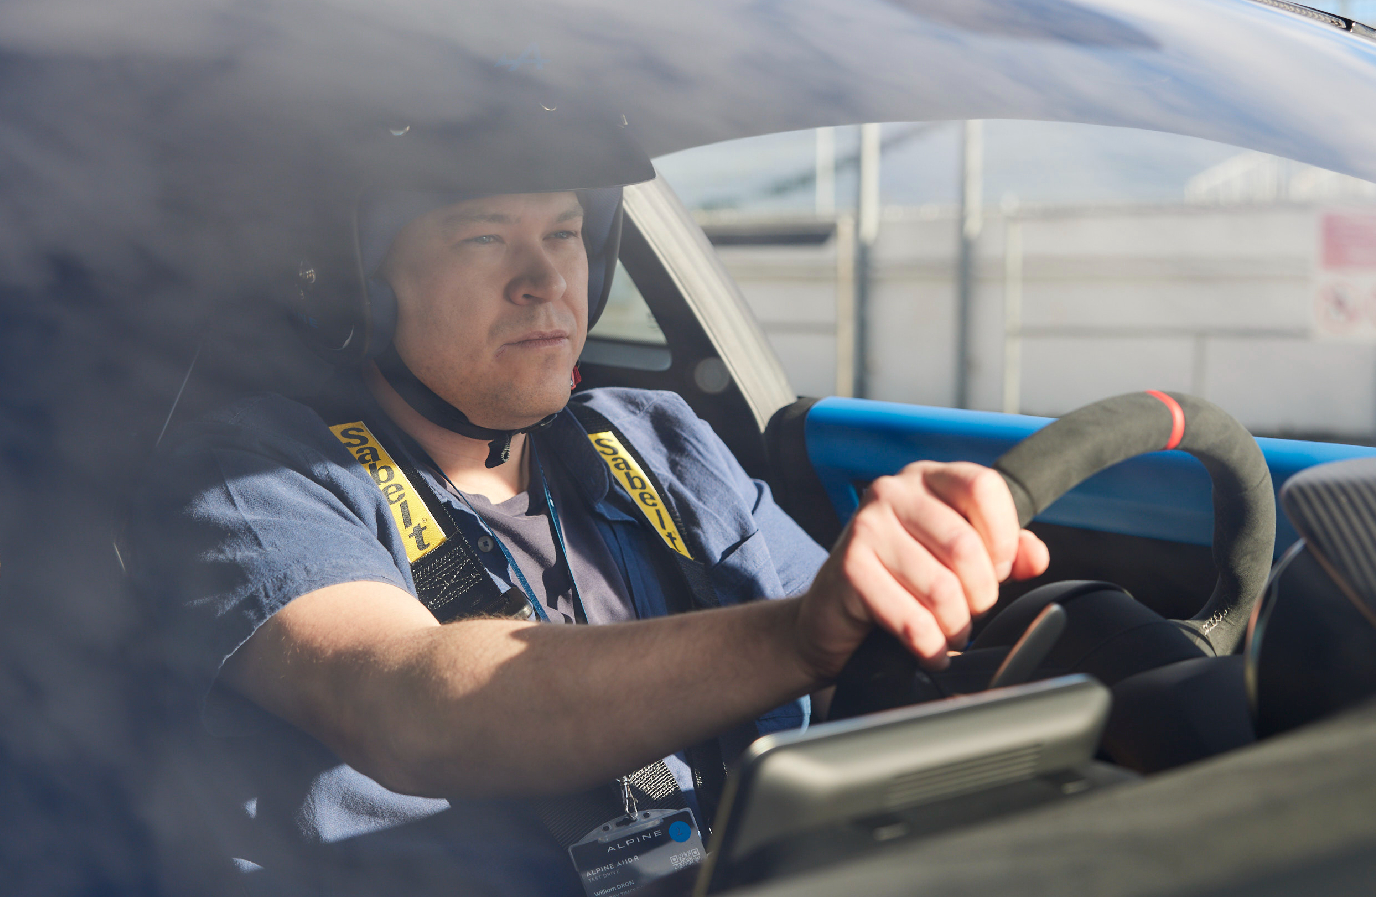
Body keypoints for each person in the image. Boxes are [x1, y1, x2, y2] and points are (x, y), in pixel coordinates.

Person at [130, 181, 1049, 896]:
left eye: (565, 233)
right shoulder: (255, 475)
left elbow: (872, 652)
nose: (546, 280)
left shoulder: (654, 439)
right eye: (484, 236)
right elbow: (414, 709)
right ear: (355, 283)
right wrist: (792, 637)